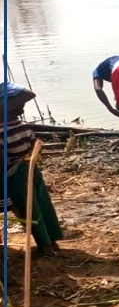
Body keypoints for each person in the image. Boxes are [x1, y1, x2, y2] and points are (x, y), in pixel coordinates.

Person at [4, 82, 63, 256]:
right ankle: (53, 241)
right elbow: (34, 145)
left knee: (28, 208)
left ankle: (44, 246)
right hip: (31, 167)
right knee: (42, 203)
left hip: (15, 173)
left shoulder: (2, 130)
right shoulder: (23, 126)